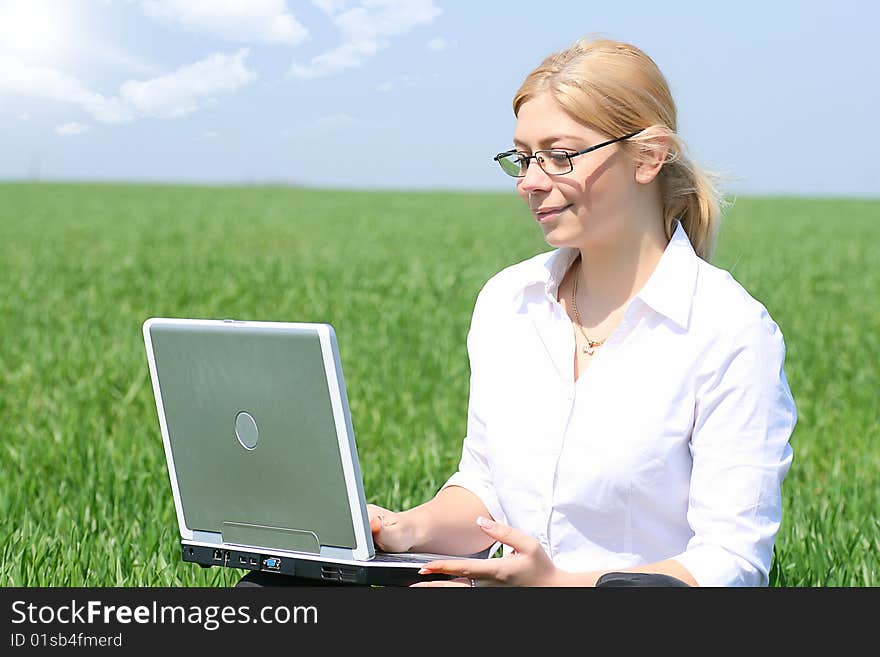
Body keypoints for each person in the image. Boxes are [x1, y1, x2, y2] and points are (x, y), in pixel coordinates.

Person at [365, 37, 797, 588]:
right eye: (522, 158)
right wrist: (405, 529)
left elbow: (731, 565)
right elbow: (486, 488)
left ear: (648, 156)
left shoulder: (730, 332)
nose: (530, 182)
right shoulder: (506, 302)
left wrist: (551, 587)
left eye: (559, 156)